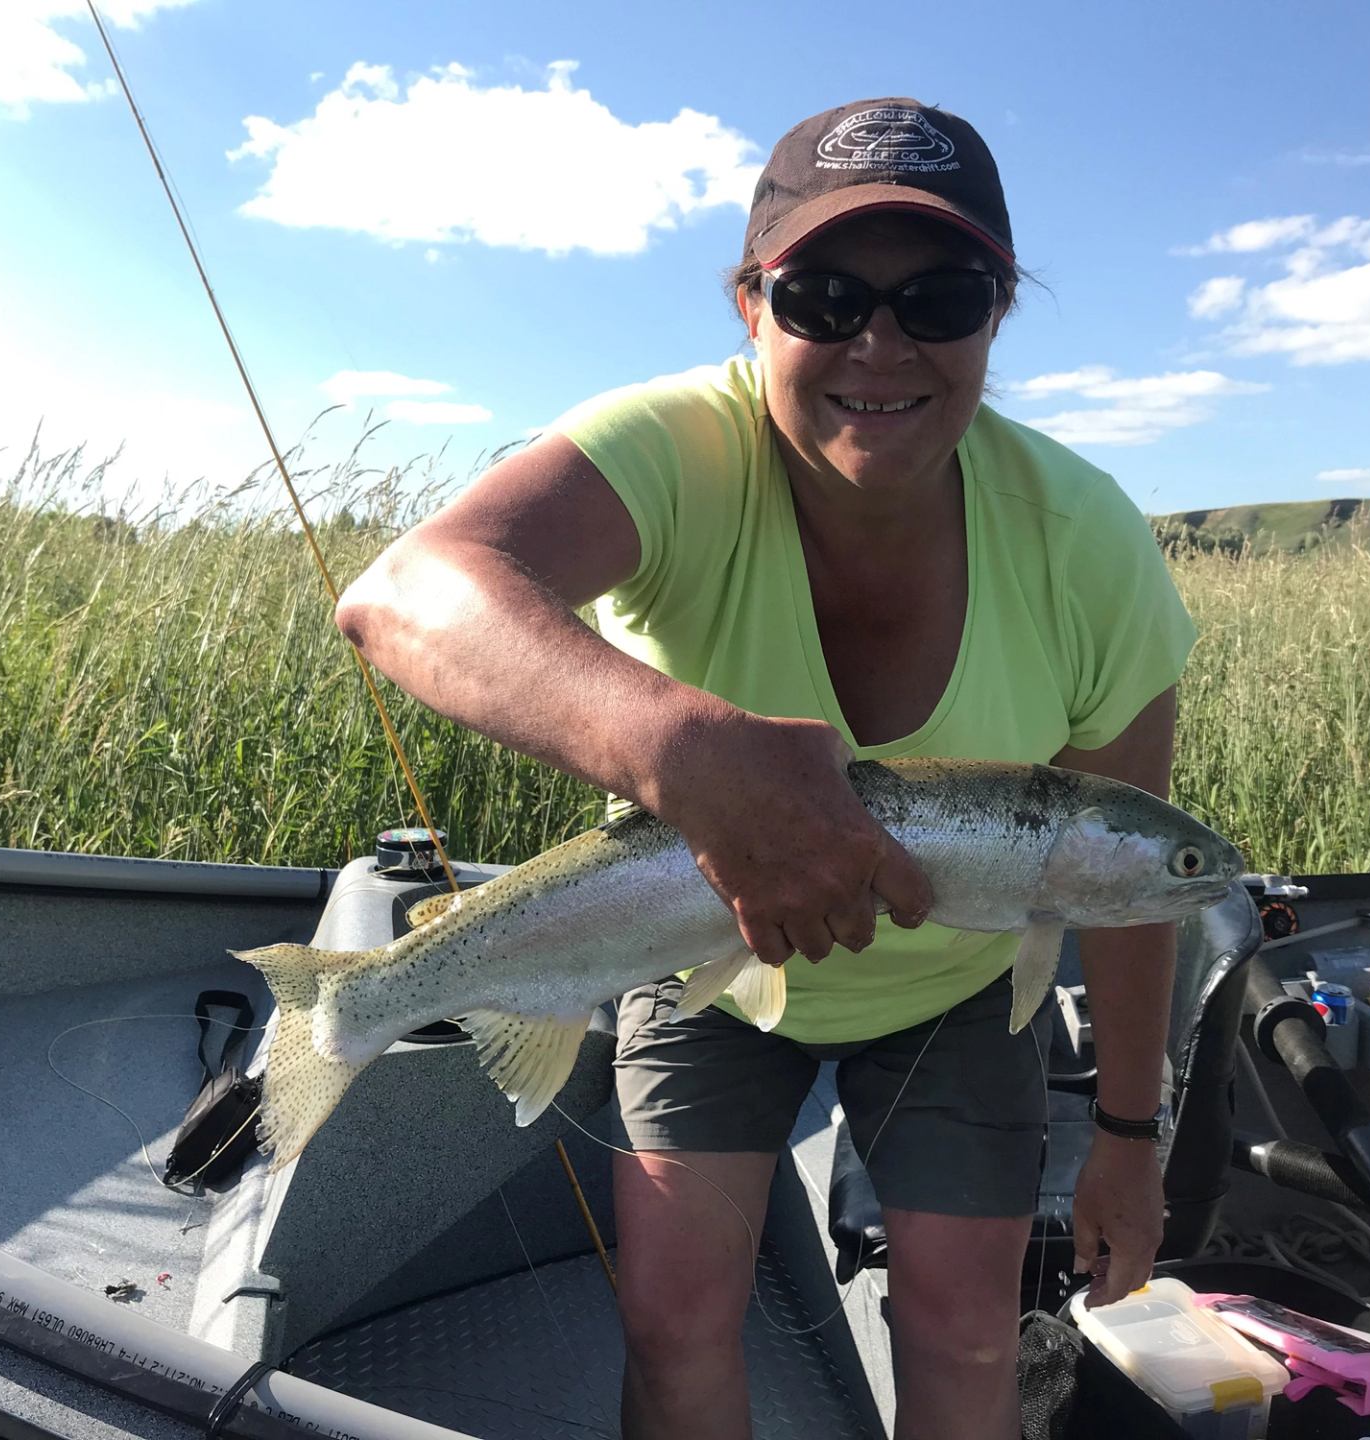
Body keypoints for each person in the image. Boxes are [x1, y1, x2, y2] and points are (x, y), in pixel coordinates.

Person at [335, 97, 1198, 1440]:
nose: (880, 344)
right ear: (751, 304)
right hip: (699, 959)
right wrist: (686, 754)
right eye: (824, 294)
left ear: (998, 314)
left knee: (969, 1341)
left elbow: (1134, 890)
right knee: (675, 1322)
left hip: (964, 990)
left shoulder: (1091, 543)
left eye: (943, 298)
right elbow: (408, 594)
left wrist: (1133, 1145)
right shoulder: (672, 448)